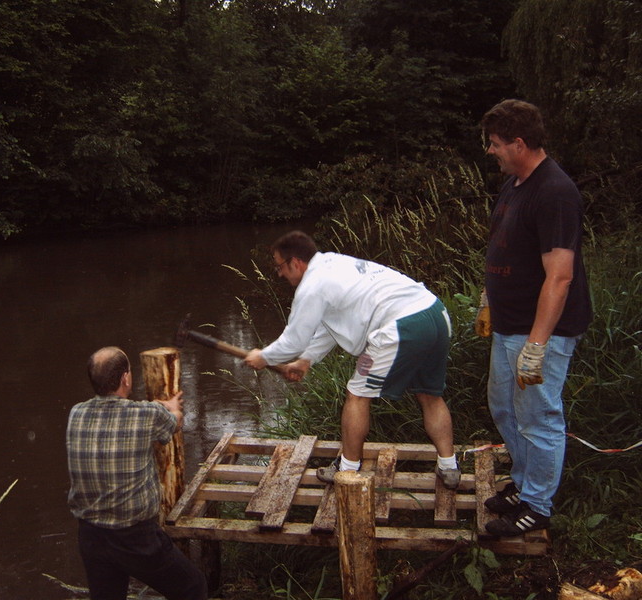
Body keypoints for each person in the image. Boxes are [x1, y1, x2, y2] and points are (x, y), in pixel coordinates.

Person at [244, 231, 461, 489]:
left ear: (296, 263)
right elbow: (331, 323)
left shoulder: (312, 286)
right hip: (435, 313)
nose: (280, 274)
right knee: (429, 395)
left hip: (401, 328)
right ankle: (449, 467)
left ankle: (347, 469)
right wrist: (306, 360)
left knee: (357, 395)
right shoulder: (333, 263)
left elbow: (294, 340)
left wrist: (263, 356)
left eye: (280, 266)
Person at [477, 99, 592, 537]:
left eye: (496, 143)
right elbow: (504, 246)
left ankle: (538, 505)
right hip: (509, 324)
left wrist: (537, 346)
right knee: (504, 407)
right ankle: (523, 484)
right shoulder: (515, 184)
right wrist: (488, 299)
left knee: (538, 417)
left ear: (519, 143)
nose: (491, 151)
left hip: (541, 332)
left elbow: (560, 277)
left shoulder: (555, 193)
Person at [66, 346, 208, 600]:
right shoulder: (146, 415)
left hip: (90, 536)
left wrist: (156, 408)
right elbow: (175, 421)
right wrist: (173, 407)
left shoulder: (76, 413)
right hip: (134, 537)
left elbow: (120, 418)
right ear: (125, 379)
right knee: (192, 586)